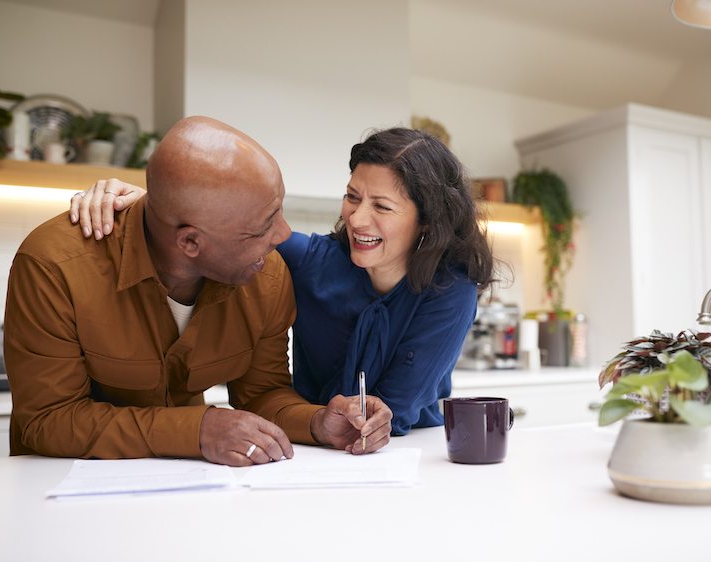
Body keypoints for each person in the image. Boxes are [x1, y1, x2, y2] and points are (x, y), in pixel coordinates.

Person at [5, 116, 392, 467]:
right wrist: (198, 430)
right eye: (262, 227)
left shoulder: (266, 275)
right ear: (190, 242)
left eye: (278, 210)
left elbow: (262, 394)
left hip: (187, 491)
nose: (283, 235)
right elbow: (48, 419)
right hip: (58, 491)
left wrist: (318, 422)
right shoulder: (54, 266)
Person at [72, 127, 497, 435]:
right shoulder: (314, 262)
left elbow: (394, 411)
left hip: (404, 452)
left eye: (381, 206)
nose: (357, 218)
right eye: (352, 196)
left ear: (427, 222)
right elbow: (224, 229)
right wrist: (147, 202)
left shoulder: (450, 290)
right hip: (312, 440)